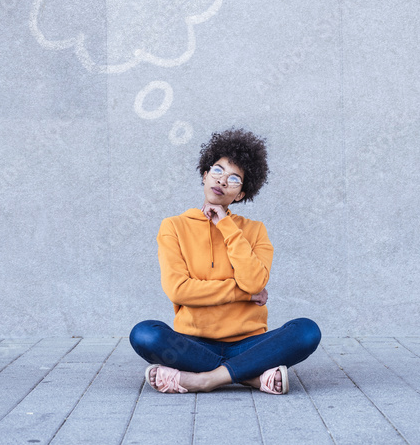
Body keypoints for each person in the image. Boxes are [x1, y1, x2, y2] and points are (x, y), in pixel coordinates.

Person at [129, 128, 321, 394]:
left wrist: (226, 226)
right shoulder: (173, 226)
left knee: (306, 331)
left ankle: (203, 379)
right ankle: (250, 376)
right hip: (192, 343)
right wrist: (243, 295)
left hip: (249, 343)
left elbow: (254, 281)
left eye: (234, 179)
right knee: (145, 334)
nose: (221, 181)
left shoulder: (255, 230)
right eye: (217, 171)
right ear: (205, 175)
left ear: (241, 193)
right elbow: (178, 289)